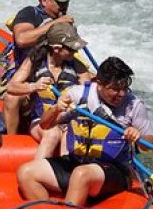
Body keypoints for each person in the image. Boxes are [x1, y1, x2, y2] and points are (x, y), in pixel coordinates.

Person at [16, 57, 153, 207]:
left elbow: (151, 143)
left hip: (114, 170)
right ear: (99, 84)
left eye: (124, 88)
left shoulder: (134, 105)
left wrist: (138, 136)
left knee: (81, 175)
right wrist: (56, 109)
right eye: (115, 89)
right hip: (77, 161)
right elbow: (45, 125)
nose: (121, 94)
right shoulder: (78, 94)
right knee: (26, 172)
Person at [2, 0, 77, 134]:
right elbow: (22, 39)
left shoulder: (63, 21)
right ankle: (12, 142)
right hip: (27, 78)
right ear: (43, 1)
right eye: (60, 2)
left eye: (66, 2)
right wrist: (54, 24)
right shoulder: (30, 13)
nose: (64, 6)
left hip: (54, 77)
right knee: (12, 98)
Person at [6, 23, 91, 159]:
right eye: (71, 48)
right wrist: (34, 86)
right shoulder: (34, 60)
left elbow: (89, 93)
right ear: (57, 49)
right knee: (53, 133)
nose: (75, 52)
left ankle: (65, 173)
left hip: (68, 120)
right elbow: (11, 86)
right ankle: (36, 174)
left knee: (70, 132)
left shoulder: (77, 65)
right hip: (41, 121)